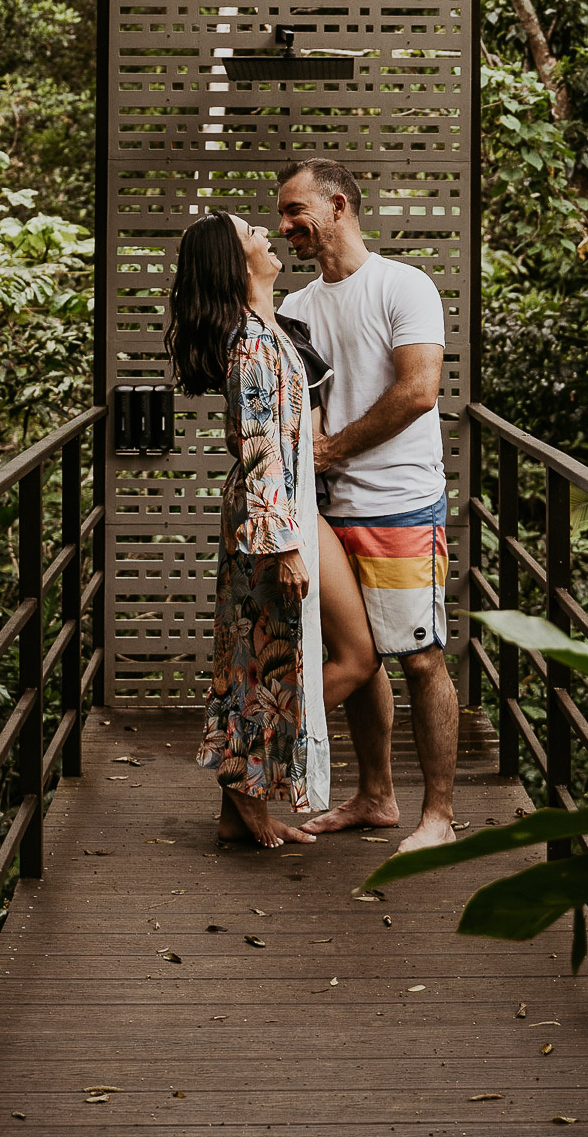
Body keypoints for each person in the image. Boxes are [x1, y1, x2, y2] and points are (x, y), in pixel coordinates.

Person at [164, 210, 380, 849]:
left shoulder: (266, 329)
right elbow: (259, 446)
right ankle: (242, 788)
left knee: (265, 663)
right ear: (237, 262)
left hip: (284, 510)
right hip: (274, 521)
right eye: (250, 232)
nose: (265, 233)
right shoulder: (250, 343)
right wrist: (284, 544)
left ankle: (240, 799)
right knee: (278, 661)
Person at [277, 160, 458, 853]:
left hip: (403, 505)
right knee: (357, 658)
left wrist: (332, 450)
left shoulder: (403, 286)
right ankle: (376, 796)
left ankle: (437, 816)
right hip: (331, 512)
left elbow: (418, 392)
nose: (287, 226)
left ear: (338, 205)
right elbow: (304, 414)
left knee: (419, 659)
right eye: (284, 215)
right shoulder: (296, 309)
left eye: (297, 210)